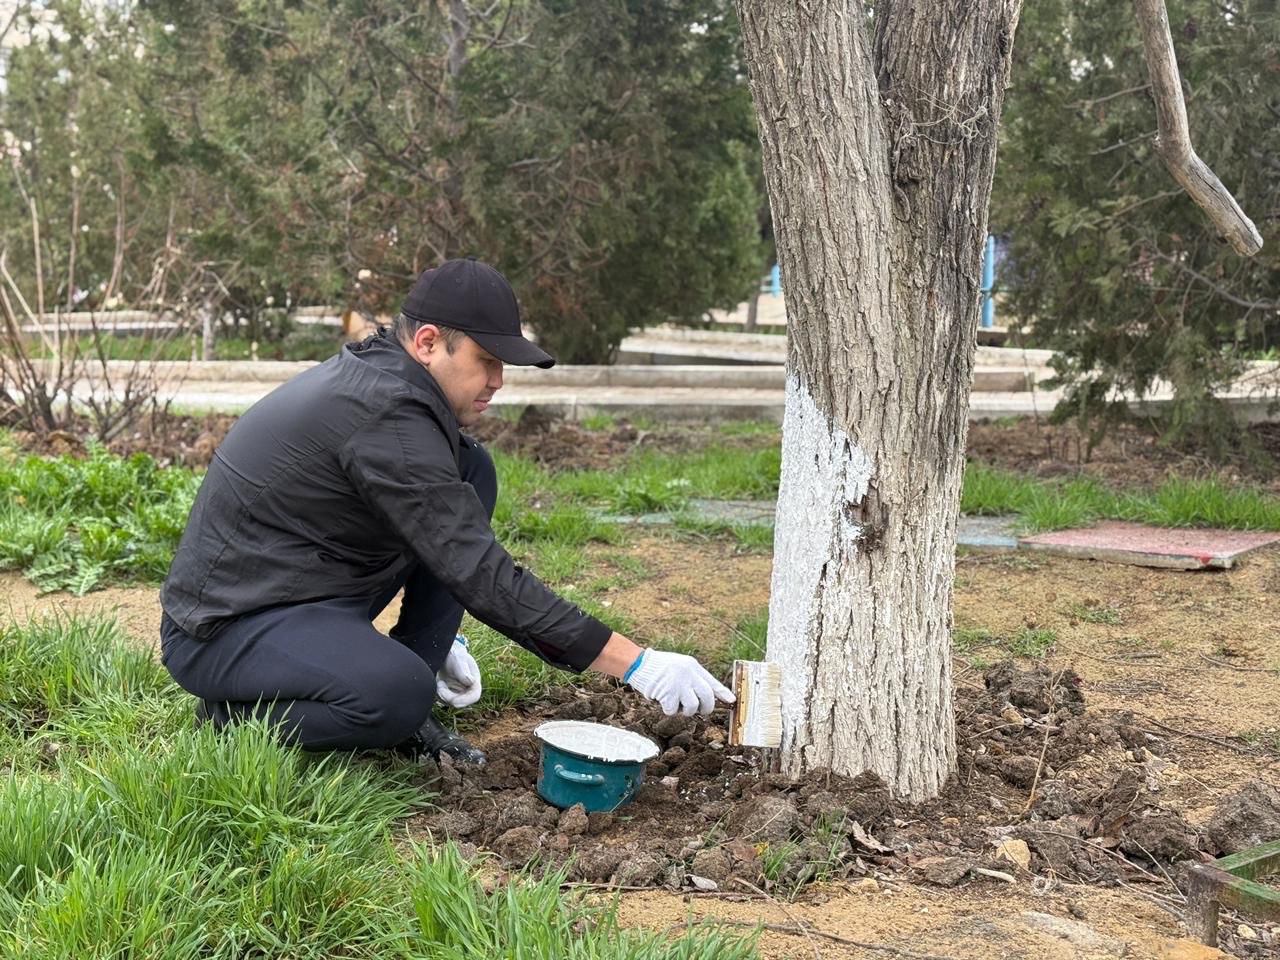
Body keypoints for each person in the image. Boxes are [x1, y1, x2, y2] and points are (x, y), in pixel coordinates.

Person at [159, 258, 734, 764]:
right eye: (487, 360)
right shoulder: (386, 415)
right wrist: (636, 664)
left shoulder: (392, 385)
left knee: (471, 468)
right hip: (224, 628)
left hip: (301, 593)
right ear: (429, 343)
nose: (498, 381)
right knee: (396, 693)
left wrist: (438, 642)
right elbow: (477, 569)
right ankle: (232, 717)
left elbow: (445, 535)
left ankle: (409, 676)